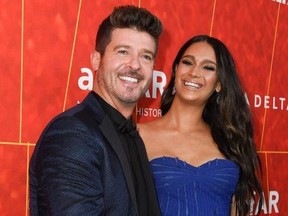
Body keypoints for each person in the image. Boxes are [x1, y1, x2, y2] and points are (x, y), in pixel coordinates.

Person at [29, 5, 163, 215]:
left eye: (146, 56)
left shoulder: (131, 135)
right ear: (96, 60)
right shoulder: (72, 135)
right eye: (123, 51)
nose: (135, 65)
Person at [138, 35, 263, 216]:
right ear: (176, 71)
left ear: (219, 83)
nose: (194, 72)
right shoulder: (139, 135)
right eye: (188, 62)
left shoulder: (229, 141)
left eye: (208, 67)